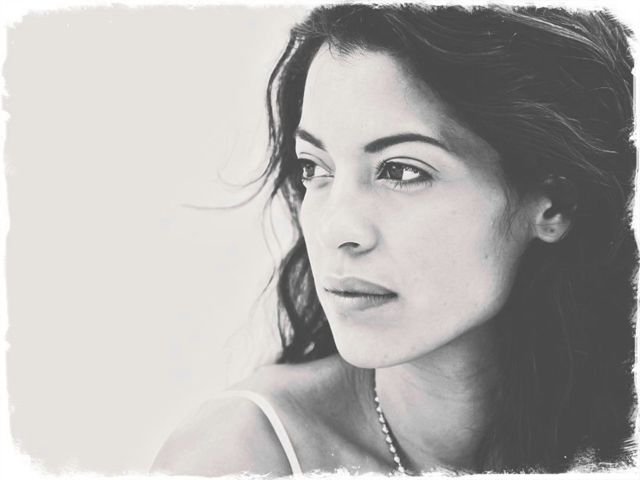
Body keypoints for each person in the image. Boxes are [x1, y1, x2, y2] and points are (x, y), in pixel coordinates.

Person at [150, 4, 637, 476]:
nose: (336, 229)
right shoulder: (236, 458)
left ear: (554, 206)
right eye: (314, 168)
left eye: (401, 171)